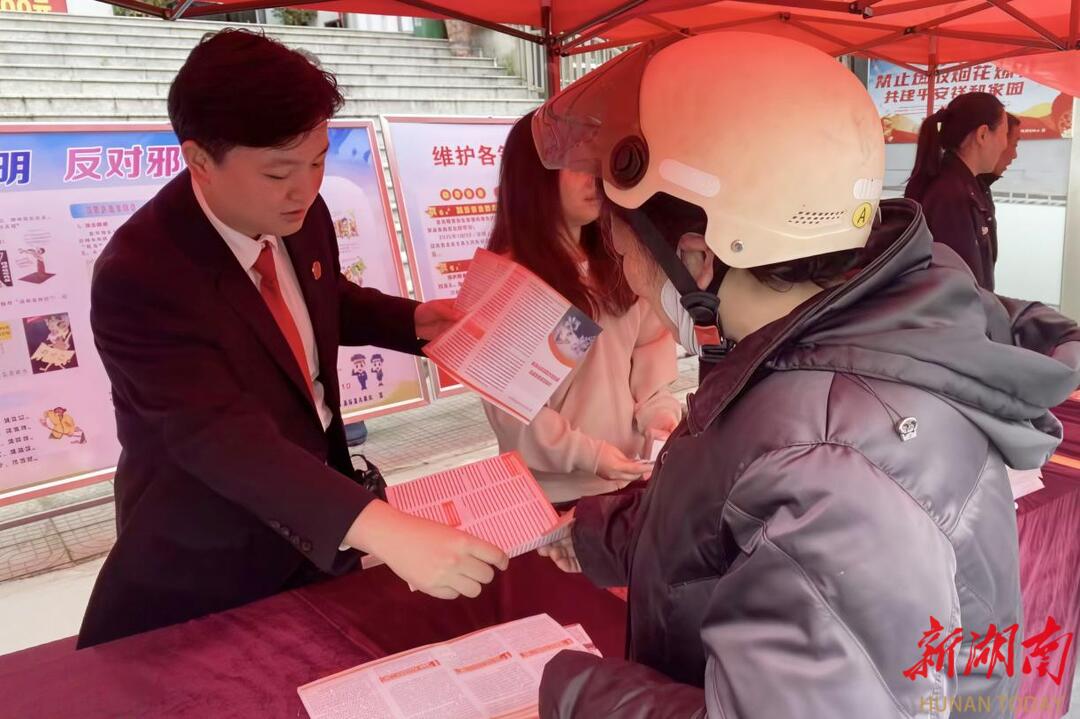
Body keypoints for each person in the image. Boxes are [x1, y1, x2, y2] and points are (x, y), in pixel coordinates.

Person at [530, 32, 1080, 717]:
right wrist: (602, 534)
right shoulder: (814, 347)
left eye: (623, 253)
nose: (628, 276)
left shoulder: (838, 467)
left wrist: (571, 690)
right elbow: (728, 491)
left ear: (696, 259)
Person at [79, 29, 508, 648]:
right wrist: (383, 528)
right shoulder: (141, 276)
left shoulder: (301, 216)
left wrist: (415, 321)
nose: (305, 188)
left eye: (318, 160)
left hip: (319, 527)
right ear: (199, 160)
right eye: (278, 171)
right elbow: (220, 436)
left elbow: (321, 298)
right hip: (212, 552)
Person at [482, 112, 681, 504]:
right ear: (535, 176)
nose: (595, 179)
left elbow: (648, 356)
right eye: (577, 165)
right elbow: (512, 412)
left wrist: (660, 416)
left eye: (598, 162)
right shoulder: (507, 282)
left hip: (629, 480)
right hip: (553, 496)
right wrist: (590, 455)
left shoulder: (621, 261)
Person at [904, 92, 1010, 290]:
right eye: (1004, 134)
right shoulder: (951, 196)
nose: (1006, 145)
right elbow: (958, 289)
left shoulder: (966, 185)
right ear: (983, 135)